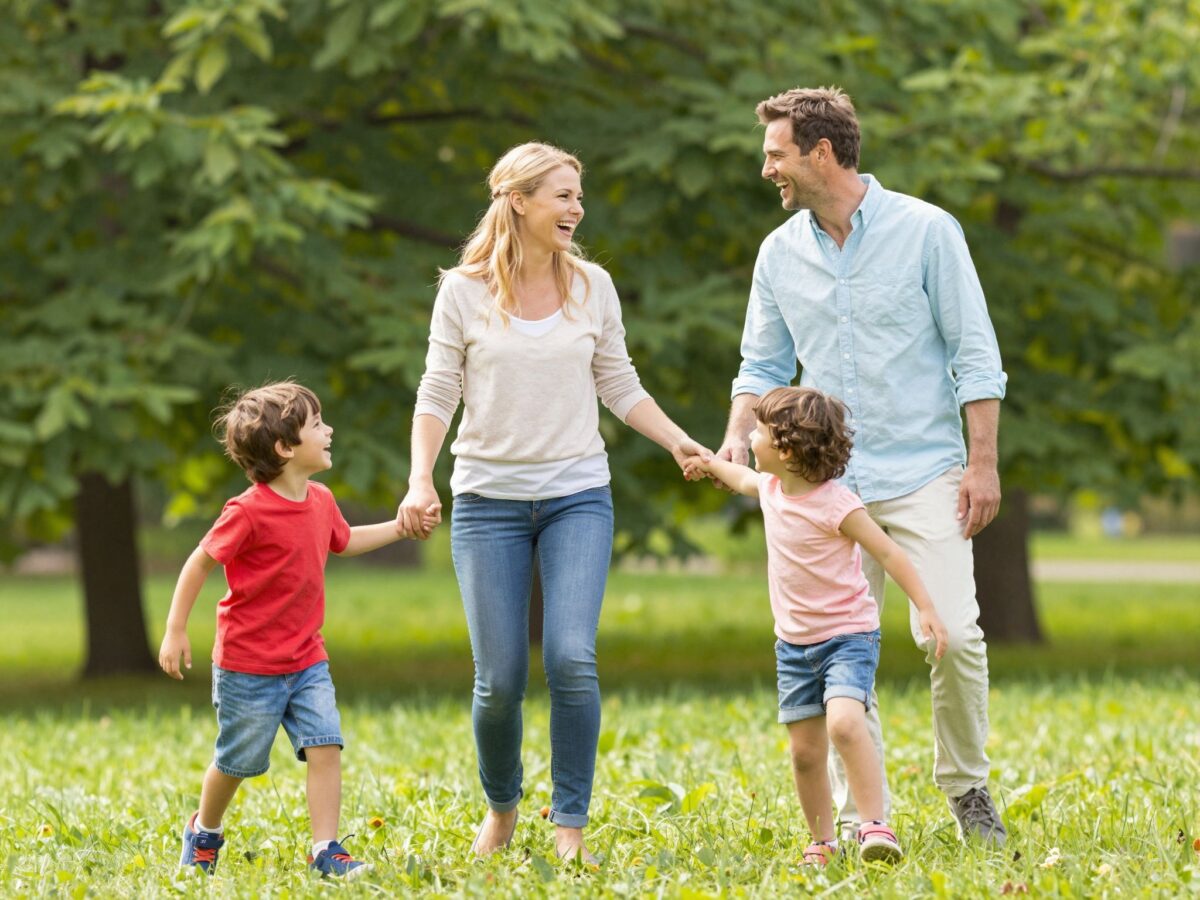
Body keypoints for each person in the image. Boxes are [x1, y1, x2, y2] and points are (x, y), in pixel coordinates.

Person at [396, 142, 710, 863]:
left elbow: (619, 383)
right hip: (487, 500)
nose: (577, 208)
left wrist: (678, 443)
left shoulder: (592, 286)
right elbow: (438, 391)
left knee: (571, 658)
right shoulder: (464, 291)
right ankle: (502, 810)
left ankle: (570, 825)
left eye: (578, 195)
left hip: (576, 496)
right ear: (518, 201)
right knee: (499, 677)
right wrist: (422, 477)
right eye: (562, 196)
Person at [718, 86, 1009, 846]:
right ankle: (861, 818)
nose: (767, 171)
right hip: (824, 486)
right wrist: (729, 444)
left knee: (957, 634)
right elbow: (762, 365)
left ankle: (966, 785)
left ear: (820, 152)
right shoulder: (778, 254)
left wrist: (983, 466)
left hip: (924, 472)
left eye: (776, 154)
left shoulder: (926, 231)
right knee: (834, 650)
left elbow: (974, 353)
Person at [158, 381, 438, 878]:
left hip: (307, 659)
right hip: (248, 666)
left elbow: (345, 541)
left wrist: (401, 526)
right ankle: (204, 830)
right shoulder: (246, 511)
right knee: (237, 761)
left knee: (325, 743)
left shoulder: (321, 500)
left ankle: (325, 848)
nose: (329, 430)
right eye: (317, 425)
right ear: (285, 448)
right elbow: (199, 563)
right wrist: (176, 629)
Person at [686, 386, 948, 865]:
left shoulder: (838, 505)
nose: (752, 437)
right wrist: (706, 463)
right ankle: (822, 842)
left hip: (848, 636)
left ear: (785, 448)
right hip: (793, 645)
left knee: (846, 724)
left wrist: (926, 607)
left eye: (758, 431)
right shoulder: (769, 490)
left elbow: (888, 552)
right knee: (805, 753)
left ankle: (874, 826)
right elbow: (736, 474)